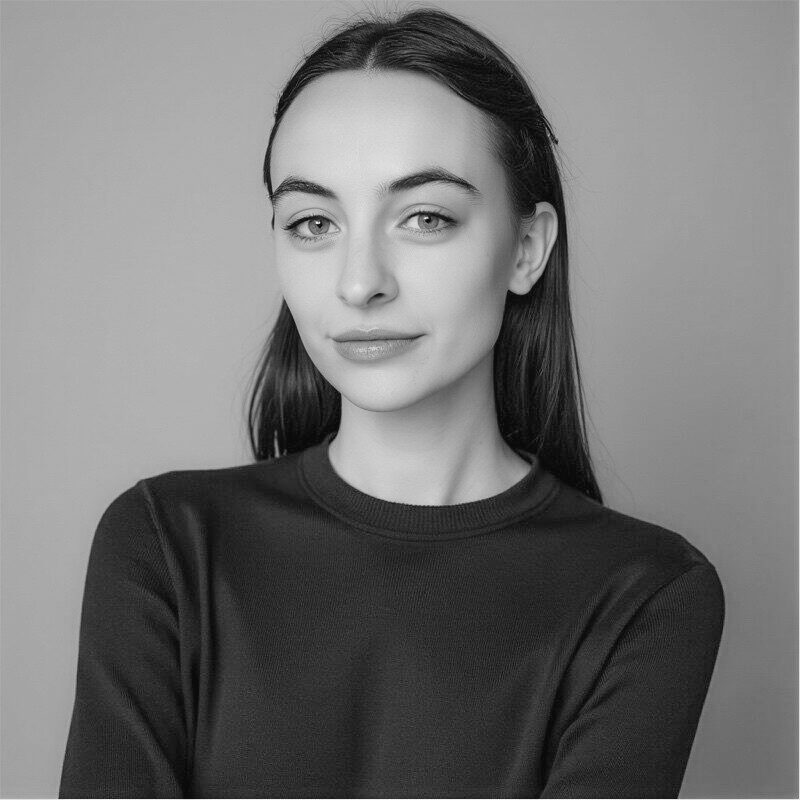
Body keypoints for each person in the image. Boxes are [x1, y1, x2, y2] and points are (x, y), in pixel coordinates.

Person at [59, 6, 725, 798]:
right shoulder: (165, 544)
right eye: (313, 222)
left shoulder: (646, 594)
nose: (358, 280)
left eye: (425, 217)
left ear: (525, 247)